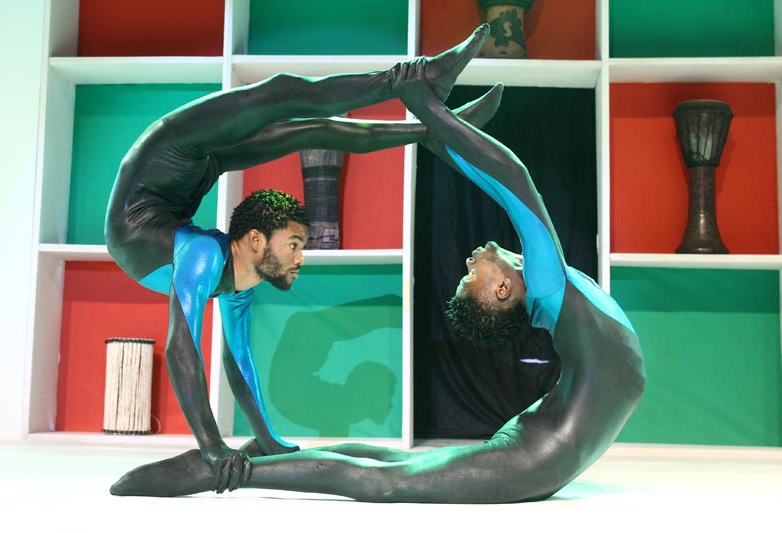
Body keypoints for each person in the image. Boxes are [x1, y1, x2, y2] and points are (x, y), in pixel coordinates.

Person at [111, 26, 646, 502]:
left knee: (304, 125)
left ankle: (417, 99)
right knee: (286, 99)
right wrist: (440, 128)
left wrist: (436, 120)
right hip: (168, 170)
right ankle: (412, 88)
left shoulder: (549, 286)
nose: (469, 259)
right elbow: (507, 181)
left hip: (177, 178)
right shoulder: (549, 289)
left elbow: (513, 181)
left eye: (469, 276)